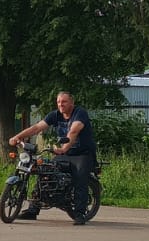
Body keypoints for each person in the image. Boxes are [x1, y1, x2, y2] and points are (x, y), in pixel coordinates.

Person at [6, 90, 96, 224]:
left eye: (64, 101)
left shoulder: (79, 113)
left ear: (72, 103)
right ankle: (33, 209)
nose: (61, 104)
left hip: (83, 154)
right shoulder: (55, 115)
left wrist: (64, 148)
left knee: (80, 179)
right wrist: (17, 137)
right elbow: (37, 127)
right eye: (58, 102)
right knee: (44, 171)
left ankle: (79, 214)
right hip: (64, 154)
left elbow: (74, 131)